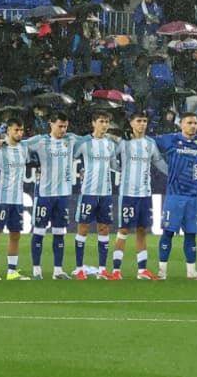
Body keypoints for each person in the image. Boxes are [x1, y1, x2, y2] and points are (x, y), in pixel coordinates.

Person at [22, 112, 77, 280]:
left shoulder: (71, 139)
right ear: (51, 124)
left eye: (65, 126)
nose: (63, 130)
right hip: (44, 194)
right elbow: (19, 144)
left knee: (60, 232)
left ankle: (58, 271)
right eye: (60, 126)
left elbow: (92, 139)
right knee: (39, 231)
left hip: (63, 195)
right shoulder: (40, 140)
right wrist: (1, 142)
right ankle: (36, 270)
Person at [155, 112, 197, 280]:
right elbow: (149, 142)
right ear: (181, 124)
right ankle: (162, 271)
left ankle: (191, 271)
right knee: (168, 232)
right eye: (189, 122)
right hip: (175, 196)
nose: (193, 125)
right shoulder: (170, 139)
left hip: (193, 196)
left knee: (191, 234)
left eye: (195, 123)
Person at [111, 112, 164, 279]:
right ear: (131, 123)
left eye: (145, 121)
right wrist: (119, 169)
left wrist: (174, 174)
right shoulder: (125, 142)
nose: (142, 124)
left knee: (142, 230)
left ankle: (142, 271)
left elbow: (159, 162)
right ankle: (116, 271)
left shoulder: (150, 143)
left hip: (145, 194)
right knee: (123, 230)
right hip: (128, 193)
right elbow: (112, 157)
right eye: (139, 121)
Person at [72, 111, 121, 280]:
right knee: (83, 228)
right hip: (88, 192)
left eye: (107, 122)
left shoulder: (110, 144)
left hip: (106, 193)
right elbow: (71, 157)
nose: (105, 125)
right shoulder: (85, 142)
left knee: (104, 228)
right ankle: (79, 268)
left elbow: (115, 165)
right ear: (93, 123)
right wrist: (79, 171)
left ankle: (101, 270)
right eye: (101, 121)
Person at [0, 116, 31, 280]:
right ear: (8, 131)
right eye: (16, 130)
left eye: (21, 130)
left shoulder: (24, 148)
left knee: (15, 234)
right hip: (1, 198)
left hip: (18, 199)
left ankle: (12, 271)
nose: (19, 133)